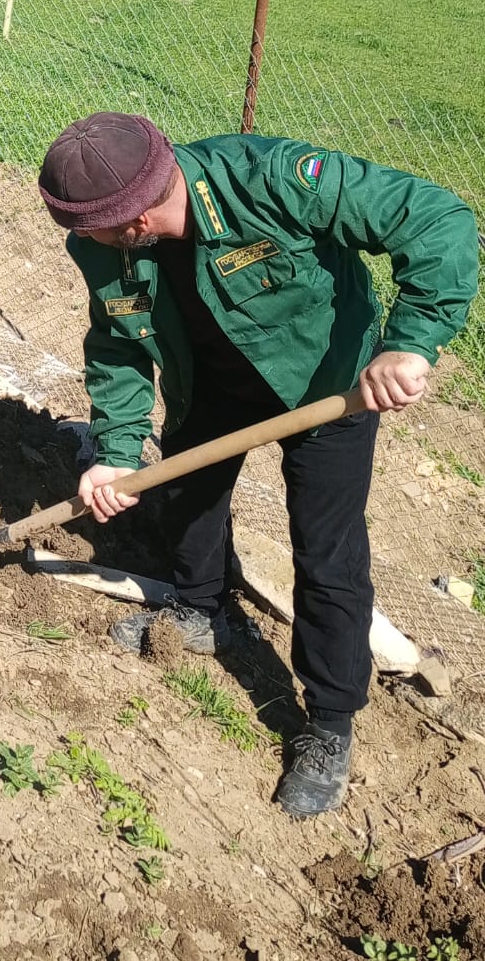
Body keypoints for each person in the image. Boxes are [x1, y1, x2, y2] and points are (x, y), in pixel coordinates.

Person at [38, 113, 478, 817]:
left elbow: (437, 219)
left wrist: (410, 342)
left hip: (326, 387)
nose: (78, 238)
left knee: (327, 551)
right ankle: (201, 610)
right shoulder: (104, 248)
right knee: (188, 497)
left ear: (136, 219)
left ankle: (329, 723)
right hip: (207, 384)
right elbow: (117, 345)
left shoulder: (270, 180)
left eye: (88, 228)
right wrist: (115, 454)